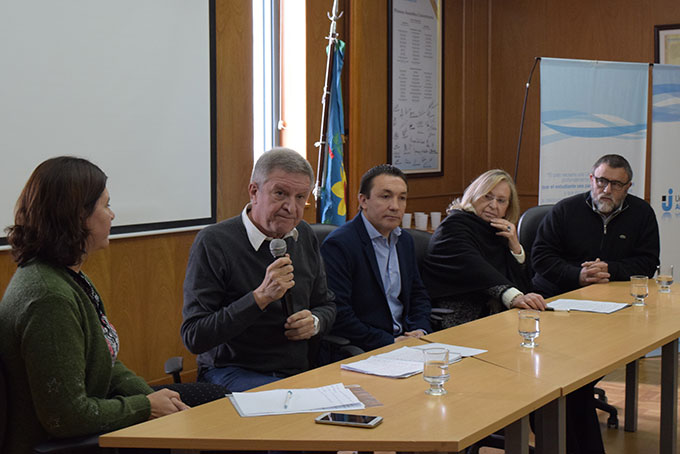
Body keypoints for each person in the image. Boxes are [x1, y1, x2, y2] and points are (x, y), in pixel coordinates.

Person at [0, 157, 190, 454]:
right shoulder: (49, 298)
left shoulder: (66, 276)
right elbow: (66, 417)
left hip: (90, 424)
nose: (112, 215)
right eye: (106, 205)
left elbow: (105, 363)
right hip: (65, 443)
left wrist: (155, 397)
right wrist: (145, 406)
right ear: (77, 217)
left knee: (207, 399)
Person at [181, 148, 336, 392]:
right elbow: (195, 336)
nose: (291, 207)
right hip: (232, 370)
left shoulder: (303, 235)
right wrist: (260, 297)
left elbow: (326, 304)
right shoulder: (214, 242)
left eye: (300, 197)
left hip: (296, 369)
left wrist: (315, 322)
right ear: (254, 192)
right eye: (280, 193)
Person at [319, 164, 432, 360]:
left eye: (402, 198)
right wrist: (388, 342)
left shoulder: (404, 241)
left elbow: (418, 295)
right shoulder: (340, 244)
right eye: (385, 196)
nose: (395, 206)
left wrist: (420, 330)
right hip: (367, 348)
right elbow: (339, 313)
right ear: (363, 200)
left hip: (408, 343)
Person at [422, 169, 546, 328]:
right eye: (487, 196)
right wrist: (513, 296)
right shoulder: (453, 226)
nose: (493, 205)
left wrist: (515, 247)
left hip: (494, 316)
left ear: (508, 207)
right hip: (459, 317)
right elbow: (474, 267)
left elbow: (526, 285)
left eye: (501, 200)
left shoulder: (496, 231)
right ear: (473, 195)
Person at [532, 154, 660, 298]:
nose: (607, 190)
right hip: (559, 293)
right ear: (592, 180)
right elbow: (541, 257)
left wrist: (609, 269)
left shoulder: (642, 213)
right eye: (601, 181)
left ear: (627, 187)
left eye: (616, 184)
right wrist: (577, 275)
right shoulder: (565, 209)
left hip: (615, 295)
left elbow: (648, 263)